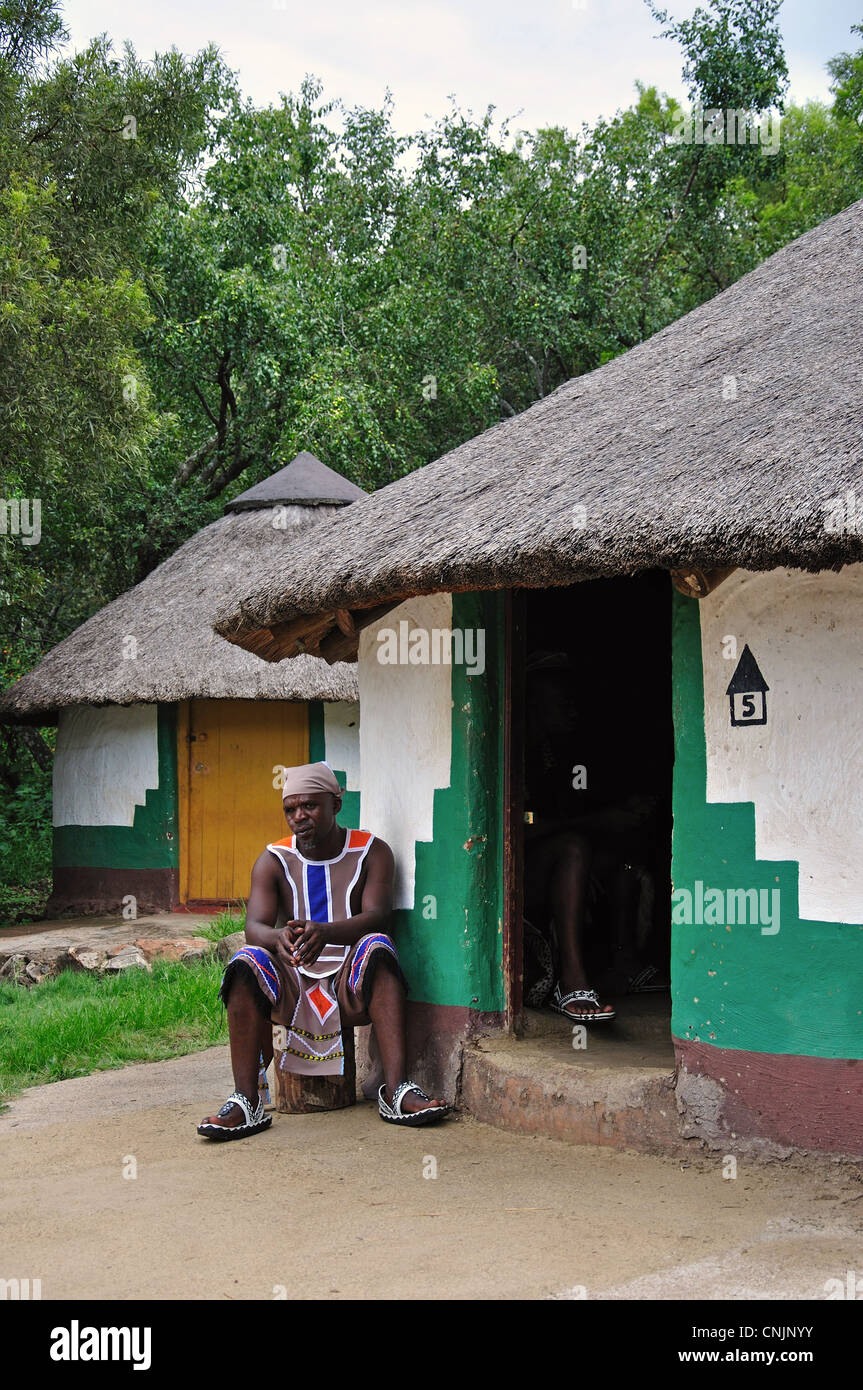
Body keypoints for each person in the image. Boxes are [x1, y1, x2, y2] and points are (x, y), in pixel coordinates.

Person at [198, 761, 450, 1138]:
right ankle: (246, 1100)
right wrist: (278, 938)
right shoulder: (273, 860)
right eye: (290, 809)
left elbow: (379, 917)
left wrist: (327, 933)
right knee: (244, 961)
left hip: (350, 986)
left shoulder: (372, 852)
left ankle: (395, 1089)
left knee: (378, 946)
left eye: (310, 806)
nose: (299, 817)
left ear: (336, 803)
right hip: (292, 986)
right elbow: (254, 928)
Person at [523, 653, 662, 1024]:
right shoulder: (513, 752)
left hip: (554, 865)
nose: (573, 711)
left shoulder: (557, 755)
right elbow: (523, 823)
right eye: (562, 702)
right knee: (574, 847)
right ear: (534, 704)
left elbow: (565, 812)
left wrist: (618, 814)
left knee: (623, 860)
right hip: (518, 878)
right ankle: (571, 980)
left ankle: (624, 965)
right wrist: (598, 820)